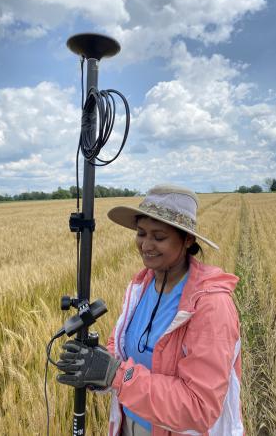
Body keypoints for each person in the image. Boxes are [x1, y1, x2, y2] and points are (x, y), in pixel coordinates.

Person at [56, 185, 243, 436]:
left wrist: (115, 375)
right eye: (141, 233)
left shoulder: (211, 305)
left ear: (187, 240)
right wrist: (97, 367)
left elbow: (199, 407)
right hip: (128, 425)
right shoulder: (139, 286)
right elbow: (120, 351)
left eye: (159, 236)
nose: (146, 245)